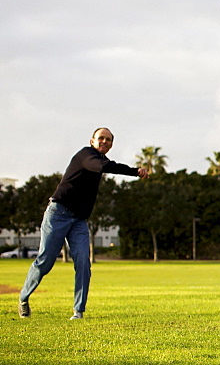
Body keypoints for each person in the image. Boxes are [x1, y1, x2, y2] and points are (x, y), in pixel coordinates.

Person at [18, 127, 150, 320]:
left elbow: (106, 165)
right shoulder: (86, 155)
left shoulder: (101, 160)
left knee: (83, 262)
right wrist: (134, 171)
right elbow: (104, 166)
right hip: (58, 214)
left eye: (108, 140)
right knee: (46, 260)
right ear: (92, 141)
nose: (104, 142)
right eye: (101, 138)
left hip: (78, 220)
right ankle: (23, 298)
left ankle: (78, 311)